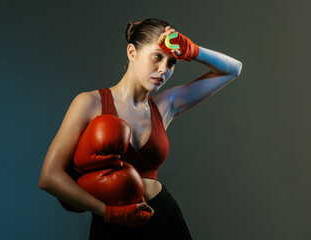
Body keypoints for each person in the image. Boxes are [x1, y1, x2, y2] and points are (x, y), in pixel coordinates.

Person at [39, 18, 242, 240]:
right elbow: (49, 177)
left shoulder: (166, 105)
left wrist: (193, 51)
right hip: (112, 224)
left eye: (172, 62)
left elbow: (232, 69)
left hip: (164, 219)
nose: (163, 69)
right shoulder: (90, 103)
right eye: (157, 56)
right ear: (132, 52)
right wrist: (108, 213)